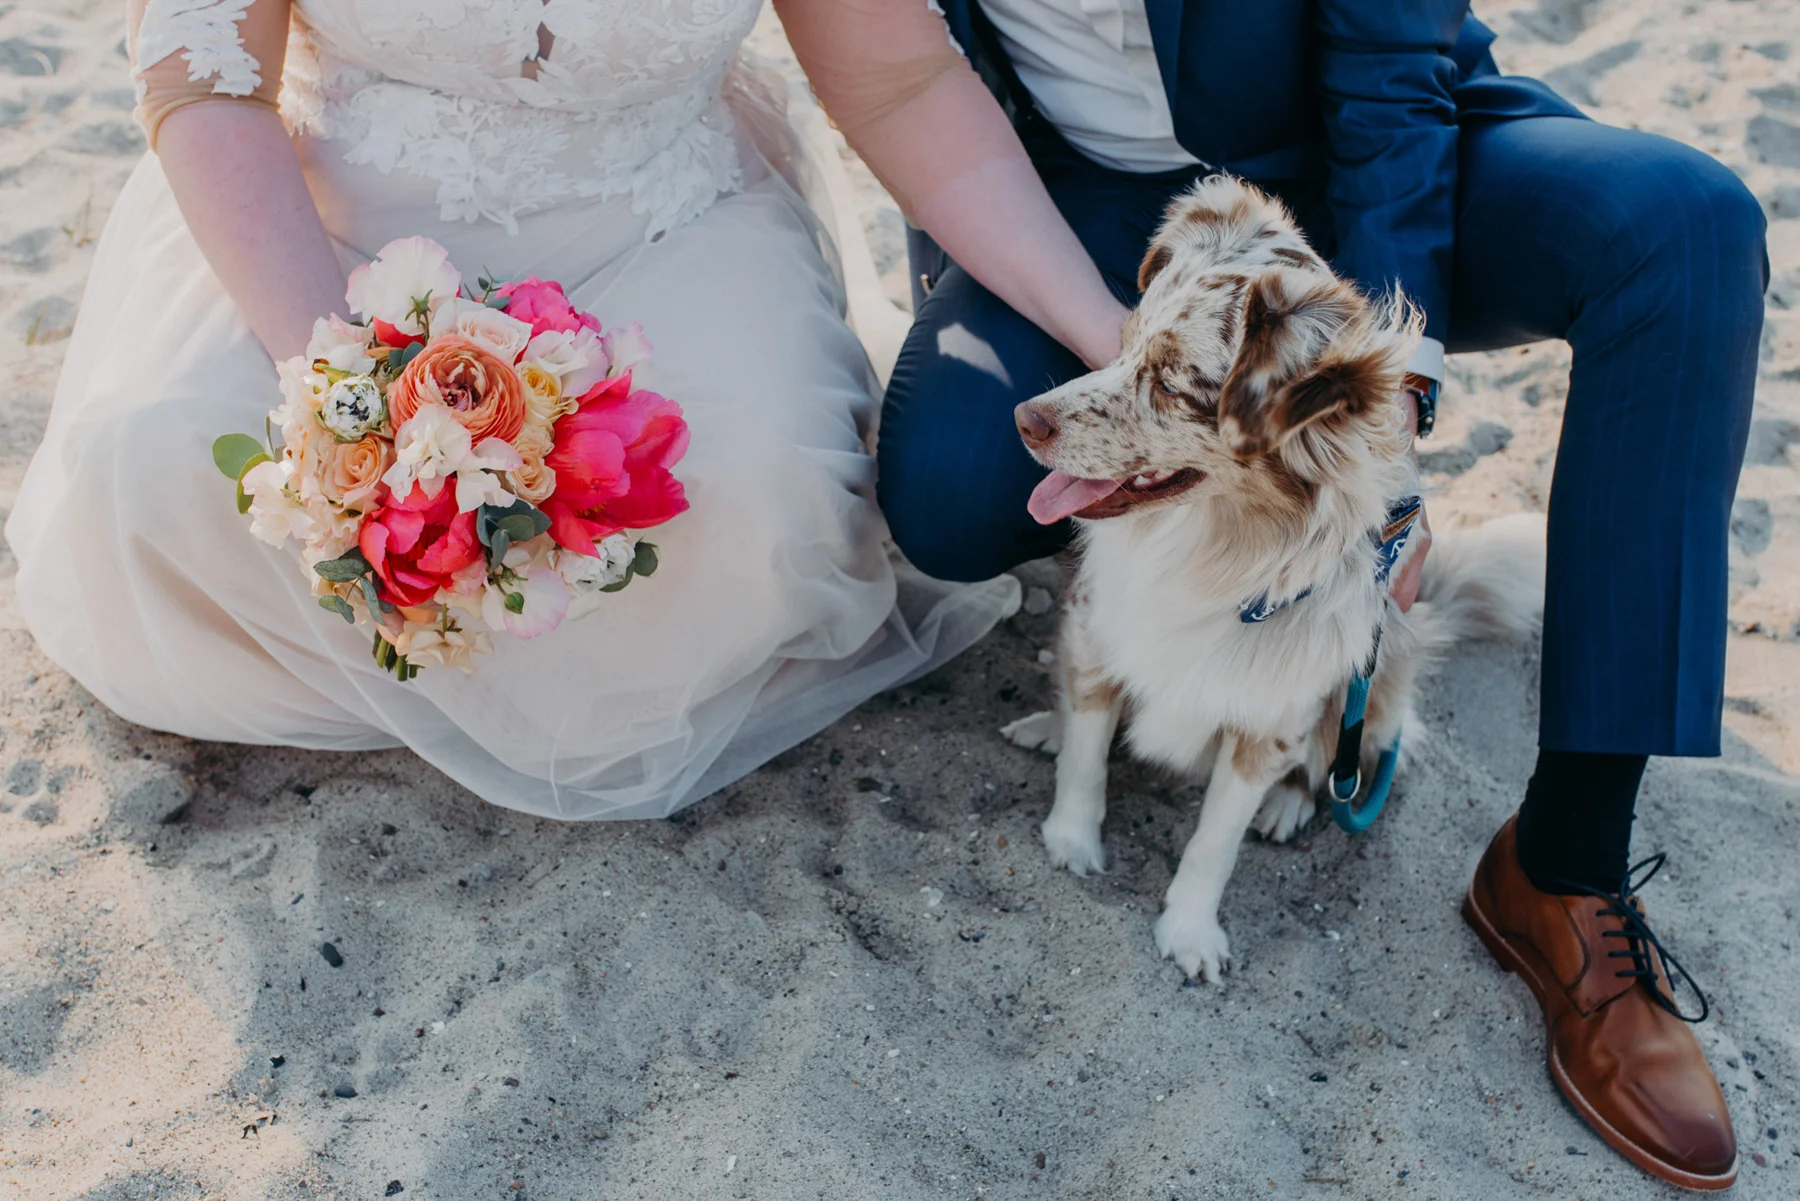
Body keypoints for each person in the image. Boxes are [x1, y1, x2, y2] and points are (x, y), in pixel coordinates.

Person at [778, 0, 1766, 1190]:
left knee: (1690, 226)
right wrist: (1132, 375)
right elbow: (897, 73)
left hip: (1363, 140)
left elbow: (1391, 71)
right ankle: (1185, 613)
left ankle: (1567, 865)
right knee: (946, 491)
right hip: (1087, 192)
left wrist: (1394, 427)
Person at [2, 0, 1024, 821]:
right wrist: (349, 387)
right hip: (338, 230)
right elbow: (202, 75)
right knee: (161, 466)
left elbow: (901, 80)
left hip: (659, 217)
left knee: (757, 504)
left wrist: (1100, 323)